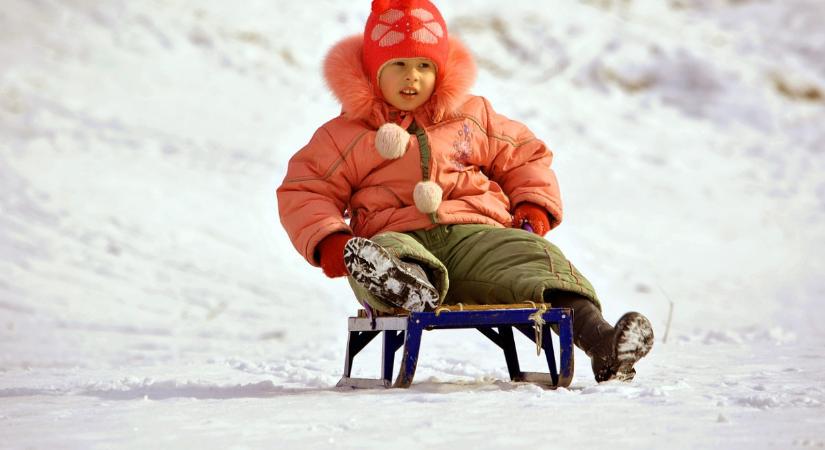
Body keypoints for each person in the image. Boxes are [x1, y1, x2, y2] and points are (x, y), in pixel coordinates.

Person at [277, 0, 653, 382]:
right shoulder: (346, 134)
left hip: (474, 236)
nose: (413, 78)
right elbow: (305, 189)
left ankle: (602, 342)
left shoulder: (471, 116)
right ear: (374, 72)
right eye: (399, 66)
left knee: (534, 257)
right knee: (377, 254)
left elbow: (523, 154)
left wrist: (532, 205)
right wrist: (330, 240)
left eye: (424, 66)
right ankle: (404, 286)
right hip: (397, 237)